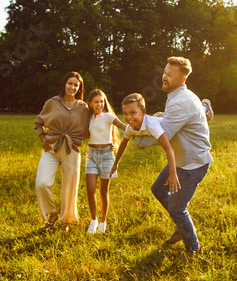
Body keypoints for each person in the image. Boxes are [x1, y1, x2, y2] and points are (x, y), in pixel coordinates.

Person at [134, 57, 213, 260]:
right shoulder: (177, 95)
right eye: (165, 72)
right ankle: (182, 227)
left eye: (170, 74)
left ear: (182, 79)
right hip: (181, 159)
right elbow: (168, 121)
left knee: (177, 209)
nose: (164, 77)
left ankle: (193, 249)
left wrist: (139, 138)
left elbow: (164, 134)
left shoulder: (181, 101)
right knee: (158, 189)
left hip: (191, 164)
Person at [34, 71, 90, 232]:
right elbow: (39, 122)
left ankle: (67, 222)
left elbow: (91, 126)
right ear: (64, 84)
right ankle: (51, 214)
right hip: (51, 148)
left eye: (76, 85)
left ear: (79, 88)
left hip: (71, 149)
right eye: (70, 83)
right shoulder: (52, 102)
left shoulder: (83, 107)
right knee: (41, 183)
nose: (72, 87)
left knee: (70, 187)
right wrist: (43, 139)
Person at [110, 93, 180, 196]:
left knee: (186, 118)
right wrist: (115, 164)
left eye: (133, 112)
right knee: (138, 142)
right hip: (155, 124)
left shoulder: (152, 126)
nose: (128, 117)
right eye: (125, 113)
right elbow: (123, 144)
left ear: (143, 112)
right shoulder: (130, 128)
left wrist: (172, 174)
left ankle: (204, 109)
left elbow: (169, 149)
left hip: (170, 123)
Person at [85, 89, 126, 234]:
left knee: (103, 191)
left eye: (102, 101)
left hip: (106, 156)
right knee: (90, 190)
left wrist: (140, 128)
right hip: (91, 155)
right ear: (90, 103)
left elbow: (124, 127)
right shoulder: (89, 117)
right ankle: (93, 220)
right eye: (96, 102)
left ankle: (103, 221)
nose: (99, 104)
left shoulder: (108, 116)